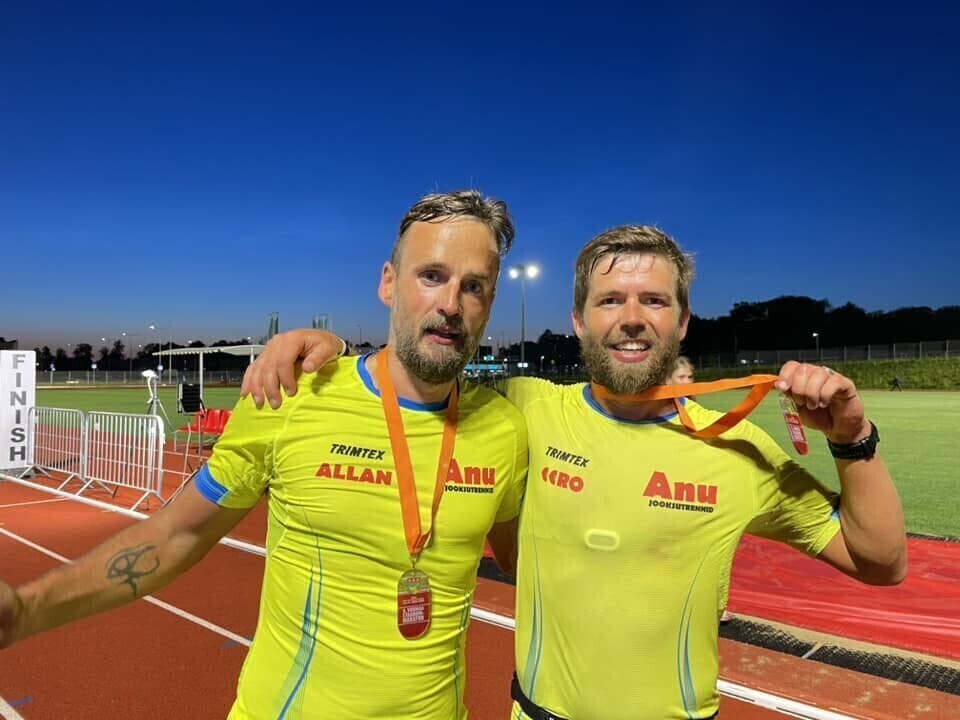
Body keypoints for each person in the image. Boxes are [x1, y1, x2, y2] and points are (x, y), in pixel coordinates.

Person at [242, 225, 906, 720]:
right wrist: (330, 353)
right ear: (579, 321)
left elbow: (880, 560)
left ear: (682, 321)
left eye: (654, 300)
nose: (632, 319)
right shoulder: (523, 411)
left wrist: (853, 439)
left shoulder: (738, 447)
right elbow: (418, 371)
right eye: (610, 300)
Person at [0, 190, 529, 720]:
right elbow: (178, 534)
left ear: (490, 303)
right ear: (388, 282)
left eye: (474, 286)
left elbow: (531, 564)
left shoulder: (504, 430)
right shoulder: (293, 395)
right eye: (431, 275)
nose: (451, 304)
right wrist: (27, 610)